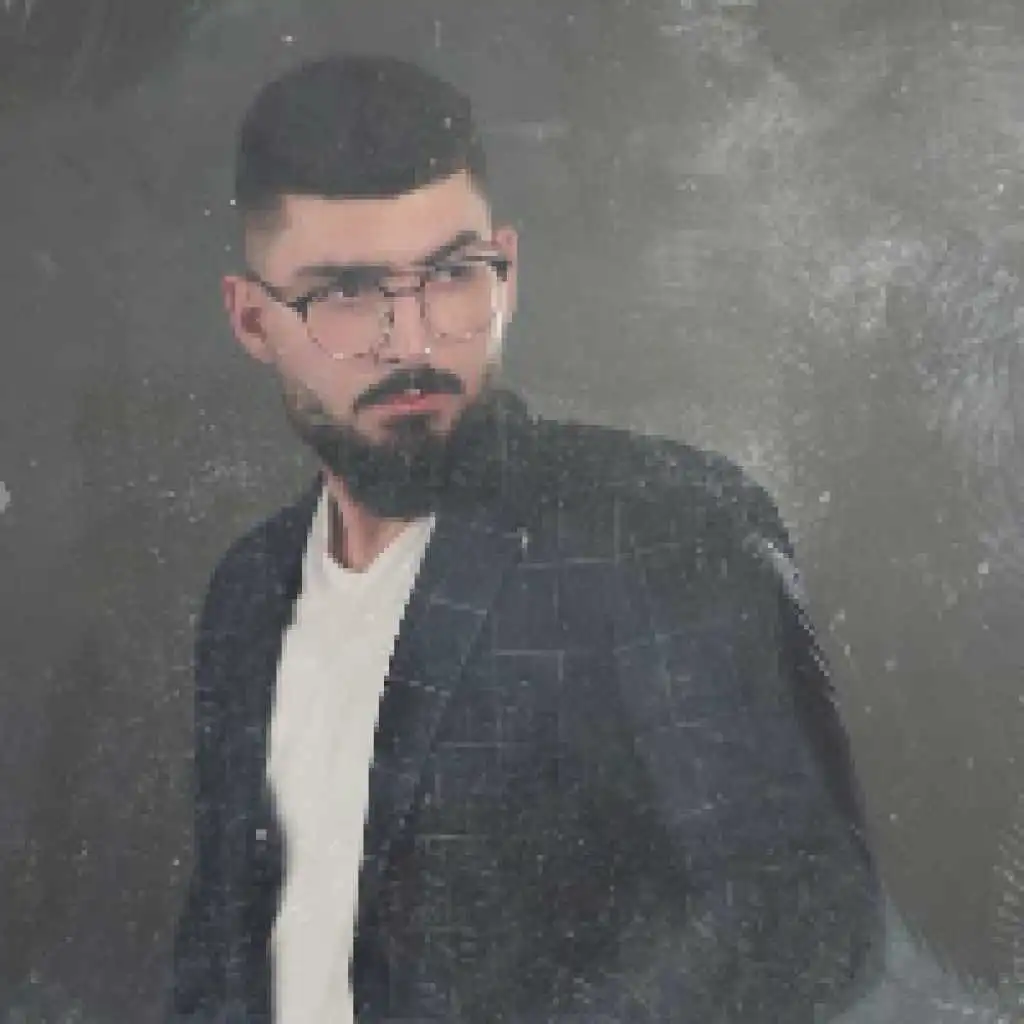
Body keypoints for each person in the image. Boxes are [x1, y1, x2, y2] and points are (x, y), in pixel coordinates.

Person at [166, 53, 884, 1023]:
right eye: (346, 293)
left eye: (453, 275)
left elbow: (795, 913)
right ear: (252, 319)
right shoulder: (249, 589)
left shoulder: (658, 521)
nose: (414, 340)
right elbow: (224, 942)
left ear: (507, 270)